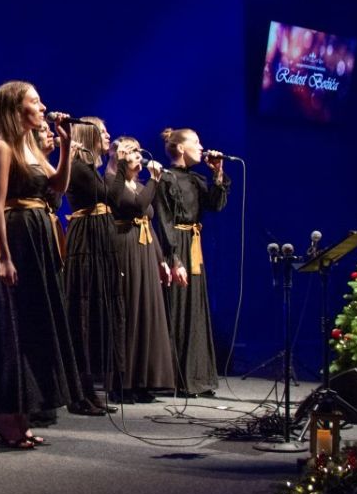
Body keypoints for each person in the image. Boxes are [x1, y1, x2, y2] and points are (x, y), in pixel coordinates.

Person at [0, 81, 76, 449]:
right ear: (16, 109)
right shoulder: (2, 147)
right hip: (16, 237)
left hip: (39, 237)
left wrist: (65, 146)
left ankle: (22, 415)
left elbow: (57, 187)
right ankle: (5, 414)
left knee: (35, 325)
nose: (43, 107)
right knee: (15, 327)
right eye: (35, 101)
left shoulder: (32, 145)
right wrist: (4, 258)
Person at [154, 127, 230, 397]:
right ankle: (175, 377)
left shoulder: (197, 179)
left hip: (194, 245)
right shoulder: (164, 178)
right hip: (175, 245)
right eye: (195, 142)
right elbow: (163, 220)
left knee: (195, 308)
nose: (201, 147)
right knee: (178, 307)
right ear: (179, 148)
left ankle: (198, 377)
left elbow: (216, 204)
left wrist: (217, 174)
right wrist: (173, 258)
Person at [103, 136, 175, 403]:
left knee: (147, 312)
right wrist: (155, 181)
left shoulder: (141, 184)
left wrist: (161, 259)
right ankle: (124, 382)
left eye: (138, 151)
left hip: (145, 249)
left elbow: (147, 221)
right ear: (118, 155)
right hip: (125, 247)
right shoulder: (112, 181)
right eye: (131, 151)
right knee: (130, 311)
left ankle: (145, 380)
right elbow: (134, 206)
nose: (138, 156)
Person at [61, 118, 117, 415]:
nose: (108, 135)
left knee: (94, 317)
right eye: (103, 131)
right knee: (82, 316)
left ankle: (90, 390)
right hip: (86, 242)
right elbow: (108, 196)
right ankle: (78, 393)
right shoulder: (80, 168)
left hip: (98, 240)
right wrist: (115, 167)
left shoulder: (90, 167)